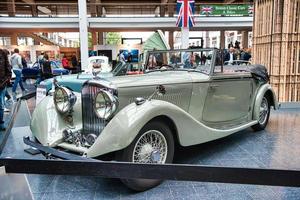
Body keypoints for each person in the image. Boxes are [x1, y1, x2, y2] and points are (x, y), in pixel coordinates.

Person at [0, 49, 12, 130]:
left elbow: (8, 71)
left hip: (1, 85)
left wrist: (4, 81)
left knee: (0, 105)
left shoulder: (2, 53)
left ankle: (1, 123)